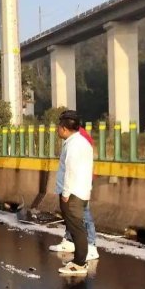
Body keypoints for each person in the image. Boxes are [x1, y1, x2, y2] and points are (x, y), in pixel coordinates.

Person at [49, 126, 99, 261]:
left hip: (79, 183)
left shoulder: (80, 138)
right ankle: (70, 241)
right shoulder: (71, 138)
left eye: (60, 125)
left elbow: (74, 167)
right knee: (71, 216)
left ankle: (91, 245)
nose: (58, 129)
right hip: (73, 183)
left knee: (83, 213)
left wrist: (66, 191)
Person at [54, 110, 94, 276]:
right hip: (80, 190)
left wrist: (65, 193)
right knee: (76, 227)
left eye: (58, 127)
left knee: (76, 228)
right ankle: (79, 261)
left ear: (64, 128)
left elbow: (70, 170)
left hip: (73, 193)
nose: (57, 130)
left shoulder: (73, 145)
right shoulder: (81, 142)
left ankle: (79, 263)